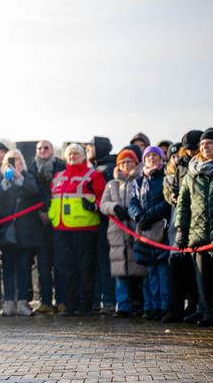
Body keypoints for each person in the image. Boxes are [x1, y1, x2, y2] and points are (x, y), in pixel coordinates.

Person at [176, 128, 213, 327]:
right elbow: (183, 204)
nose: (205, 146)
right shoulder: (190, 175)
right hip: (198, 235)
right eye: (203, 144)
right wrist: (181, 229)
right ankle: (208, 314)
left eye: (210, 143)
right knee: (202, 279)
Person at [49, 143, 105, 316]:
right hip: (61, 229)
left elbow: (102, 198)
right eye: (70, 154)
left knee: (84, 268)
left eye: (76, 153)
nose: (73, 156)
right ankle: (70, 304)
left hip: (84, 228)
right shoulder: (58, 176)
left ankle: (84, 304)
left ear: (83, 156)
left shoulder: (93, 175)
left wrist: (94, 206)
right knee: (65, 268)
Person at [0, 149, 41, 316]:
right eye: (10, 161)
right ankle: (9, 302)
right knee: (8, 268)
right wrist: (7, 180)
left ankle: (22, 302)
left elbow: (34, 193)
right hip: (6, 233)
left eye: (18, 160)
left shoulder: (28, 178)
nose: (14, 164)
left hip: (25, 233)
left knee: (23, 268)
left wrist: (19, 177)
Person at [99, 149, 146, 317]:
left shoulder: (140, 180)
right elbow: (103, 205)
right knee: (120, 269)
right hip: (117, 232)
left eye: (129, 162)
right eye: (122, 162)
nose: (126, 165)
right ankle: (123, 305)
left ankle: (141, 303)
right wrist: (114, 208)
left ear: (136, 163)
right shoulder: (112, 184)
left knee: (139, 268)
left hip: (136, 229)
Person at [162, 131, 203, 324]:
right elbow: (169, 187)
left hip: (197, 222)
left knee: (195, 267)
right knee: (176, 265)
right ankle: (175, 309)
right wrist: (170, 195)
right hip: (177, 219)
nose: (190, 152)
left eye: (193, 148)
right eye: (187, 150)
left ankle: (196, 306)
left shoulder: (200, 165)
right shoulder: (177, 165)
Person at [129, 146, 172, 320]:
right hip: (144, 231)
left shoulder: (165, 178)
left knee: (163, 271)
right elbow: (132, 201)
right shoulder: (138, 181)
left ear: (161, 159)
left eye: (155, 155)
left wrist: (151, 215)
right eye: (149, 156)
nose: (152, 158)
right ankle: (152, 306)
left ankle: (165, 306)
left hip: (160, 229)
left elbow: (167, 201)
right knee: (150, 272)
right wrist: (138, 215)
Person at [30, 140, 65, 314]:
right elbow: (30, 193)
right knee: (43, 266)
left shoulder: (61, 166)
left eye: (46, 148)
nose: (42, 151)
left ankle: (62, 300)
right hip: (39, 224)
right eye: (39, 148)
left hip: (59, 222)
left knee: (60, 264)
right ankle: (45, 301)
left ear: (52, 150)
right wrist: (40, 211)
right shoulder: (31, 169)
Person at [86, 136, 117, 314]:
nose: (87, 149)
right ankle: (97, 299)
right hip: (94, 222)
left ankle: (108, 300)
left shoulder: (109, 167)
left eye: (90, 146)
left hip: (107, 222)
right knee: (97, 262)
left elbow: (109, 195)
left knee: (105, 263)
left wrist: (96, 206)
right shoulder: (94, 167)